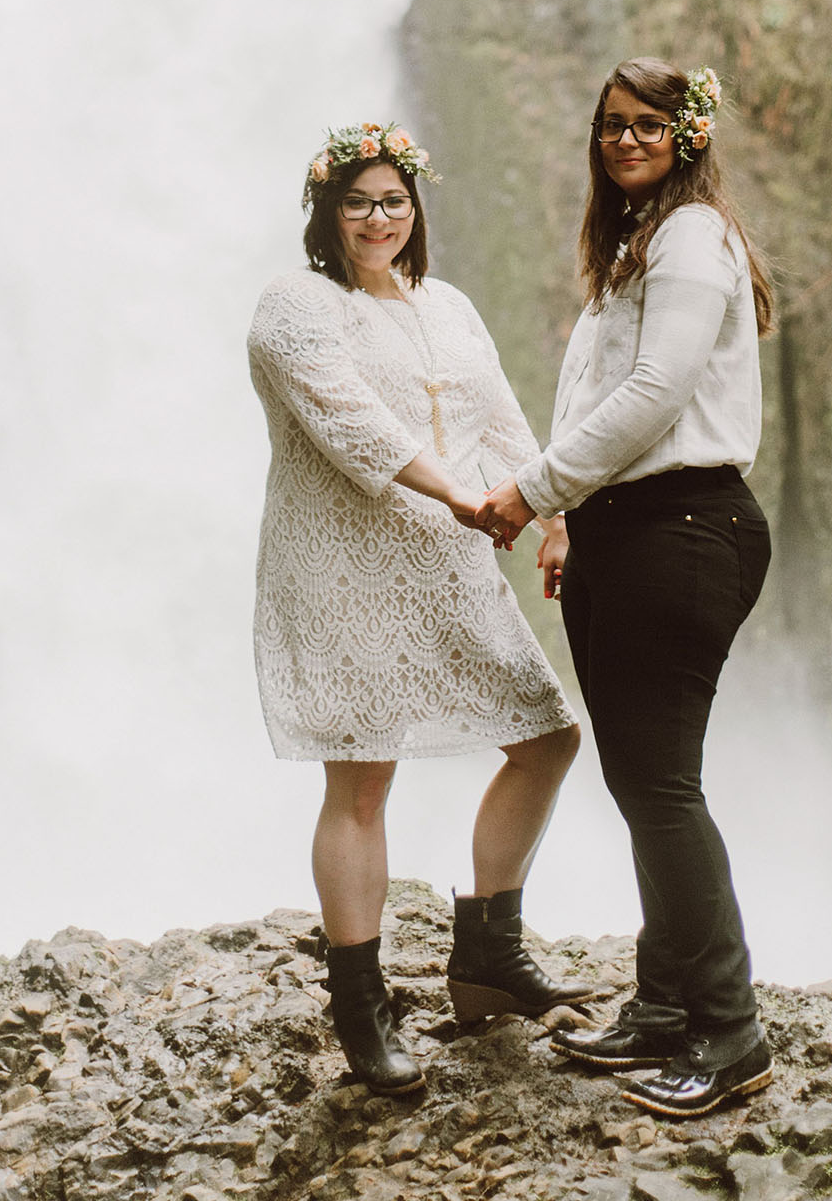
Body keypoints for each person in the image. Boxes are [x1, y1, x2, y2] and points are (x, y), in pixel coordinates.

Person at [247, 121, 584, 1094]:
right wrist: (463, 497)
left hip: (450, 564)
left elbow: (499, 417)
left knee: (546, 737)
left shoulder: (449, 305)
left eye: (393, 200)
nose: (377, 218)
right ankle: (361, 1007)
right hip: (345, 567)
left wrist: (548, 508)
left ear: (415, 208)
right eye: (357, 202)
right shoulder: (295, 303)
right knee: (360, 782)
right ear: (326, 211)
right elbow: (350, 420)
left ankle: (484, 958)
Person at [478, 59, 775, 1120]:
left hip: (683, 527)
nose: (624, 139)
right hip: (627, 529)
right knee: (643, 783)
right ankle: (661, 1004)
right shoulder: (633, 242)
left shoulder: (691, 233)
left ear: (689, 136)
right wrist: (567, 520)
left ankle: (730, 1033)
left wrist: (530, 491)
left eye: (648, 124)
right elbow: (598, 388)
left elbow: (657, 393)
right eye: (610, 124)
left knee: (658, 789)